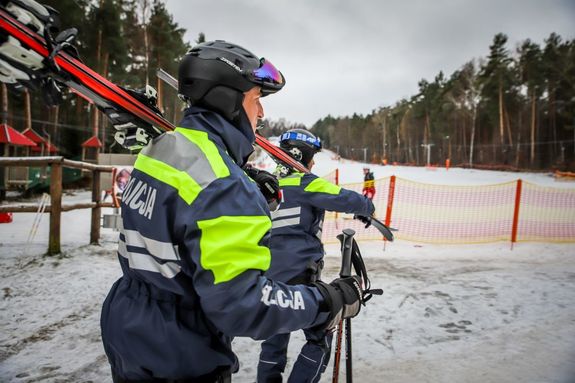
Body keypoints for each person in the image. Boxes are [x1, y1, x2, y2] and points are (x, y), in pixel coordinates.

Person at [100, 40, 366, 382]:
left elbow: (183, 210)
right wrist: (328, 300)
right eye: (257, 99)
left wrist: (246, 177)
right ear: (228, 101)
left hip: (129, 323)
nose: (262, 114)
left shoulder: (163, 148)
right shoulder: (225, 186)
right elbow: (243, 305)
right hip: (181, 348)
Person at [257, 129, 375, 383]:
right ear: (304, 156)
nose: (313, 164)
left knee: (274, 340)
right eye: (313, 158)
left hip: (269, 278)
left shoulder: (266, 187)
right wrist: (367, 208)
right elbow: (345, 198)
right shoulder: (306, 182)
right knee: (321, 334)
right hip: (300, 276)